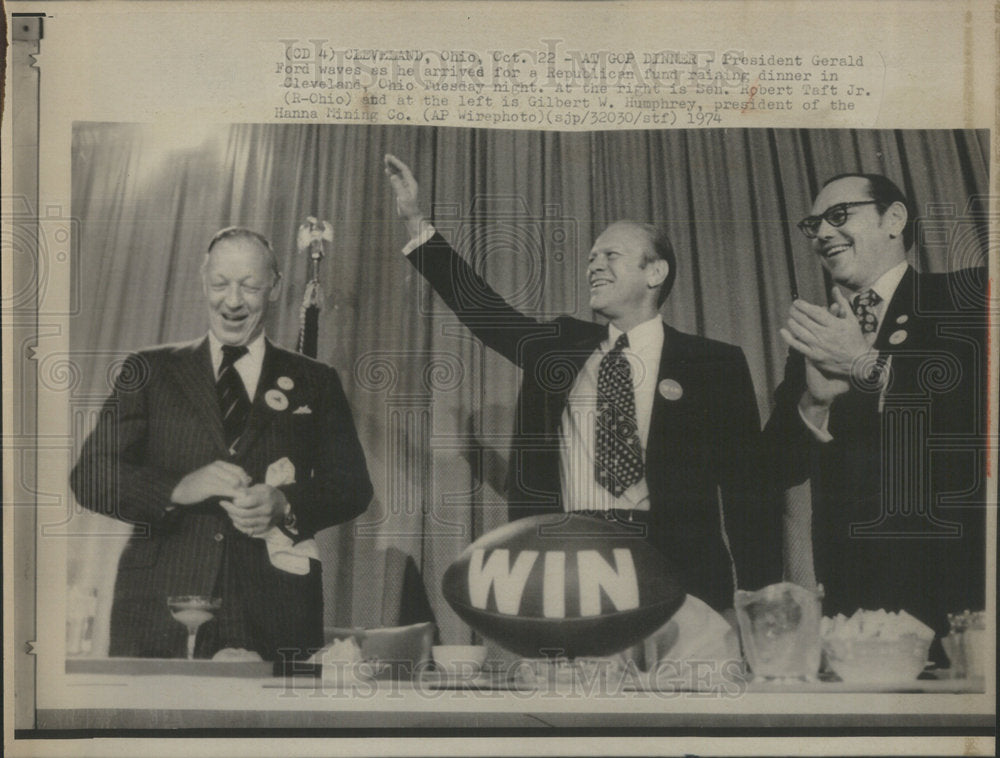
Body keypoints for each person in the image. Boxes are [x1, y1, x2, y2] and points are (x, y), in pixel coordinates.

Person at [384, 154, 781, 633]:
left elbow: (748, 494)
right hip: (566, 563)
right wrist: (416, 221)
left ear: (654, 272)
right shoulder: (558, 346)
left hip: (679, 571)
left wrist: (761, 598)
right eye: (592, 257)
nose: (594, 264)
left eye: (610, 255)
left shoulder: (714, 364)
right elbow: (486, 313)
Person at [71, 227, 373, 660]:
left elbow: (352, 487)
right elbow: (90, 476)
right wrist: (176, 488)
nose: (233, 301)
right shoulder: (150, 369)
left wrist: (285, 504)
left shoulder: (316, 381)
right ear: (203, 279)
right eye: (220, 284)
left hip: (273, 610)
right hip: (159, 607)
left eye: (249, 286)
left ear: (274, 286)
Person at [764, 174, 987, 659]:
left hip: (955, 591)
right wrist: (814, 404)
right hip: (853, 605)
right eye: (814, 224)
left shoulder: (968, 299)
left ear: (894, 219)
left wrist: (866, 366)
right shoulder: (820, 335)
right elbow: (772, 466)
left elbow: (976, 419)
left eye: (839, 215)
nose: (823, 233)